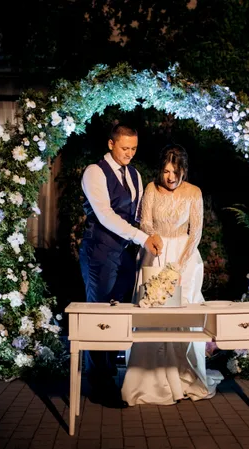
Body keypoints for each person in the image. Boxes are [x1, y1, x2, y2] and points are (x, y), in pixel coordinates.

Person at [121, 143, 224, 405]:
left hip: (184, 258)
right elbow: (144, 222)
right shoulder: (151, 189)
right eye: (166, 171)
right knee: (151, 315)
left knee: (184, 318)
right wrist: (155, 244)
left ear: (184, 170)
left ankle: (185, 375)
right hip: (155, 251)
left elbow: (196, 232)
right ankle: (149, 379)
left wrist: (178, 265)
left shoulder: (194, 193)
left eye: (175, 172)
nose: (170, 177)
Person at [79, 123, 163, 408]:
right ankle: (98, 383)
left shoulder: (135, 175)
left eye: (134, 149)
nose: (129, 153)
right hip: (99, 251)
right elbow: (105, 215)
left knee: (119, 314)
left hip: (124, 254)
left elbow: (137, 215)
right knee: (99, 315)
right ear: (111, 144)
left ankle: (110, 376)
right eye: (125, 148)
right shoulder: (94, 172)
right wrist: (142, 238)